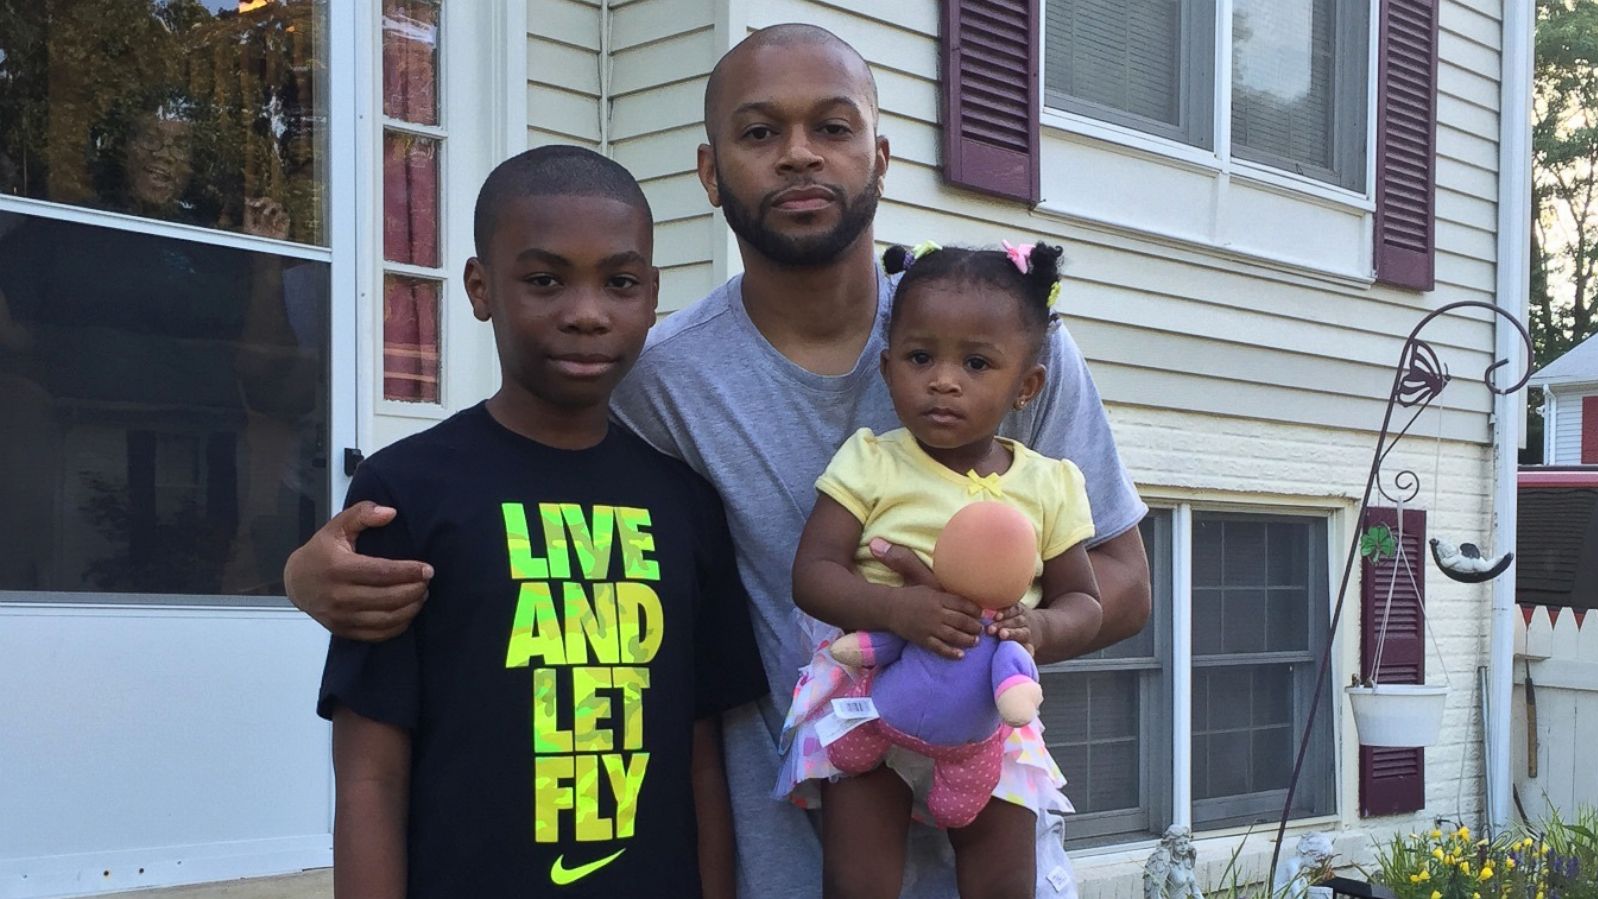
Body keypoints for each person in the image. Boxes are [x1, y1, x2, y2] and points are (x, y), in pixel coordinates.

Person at [285, 24, 1151, 898]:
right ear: (710, 171)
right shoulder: (656, 378)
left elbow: (1123, 577)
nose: (799, 156)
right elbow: (518, 477)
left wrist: (985, 623)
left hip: (988, 842)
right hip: (775, 864)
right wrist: (306, 575)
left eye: (834, 128)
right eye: (760, 132)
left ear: (881, 157)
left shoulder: (1004, 346)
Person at [315, 145, 767, 898]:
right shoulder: (407, 490)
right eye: (545, 280)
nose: (586, 313)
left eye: (619, 282)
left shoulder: (686, 501)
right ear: (481, 286)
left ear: (651, 294)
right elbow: (369, 771)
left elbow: (700, 758)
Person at [778, 240, 1103, 898]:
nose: (943, 379)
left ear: (1026, 385)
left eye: (977, 362)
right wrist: (897, 610)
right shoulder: (871, 461)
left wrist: (1037, 628)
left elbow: (1086, 602)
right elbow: (812, 572)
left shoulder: (1049, 484)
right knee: (857, 881)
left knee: (1005, 882)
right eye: (921, 357)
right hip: (871, 693)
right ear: (888, 365)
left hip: (990, 710)